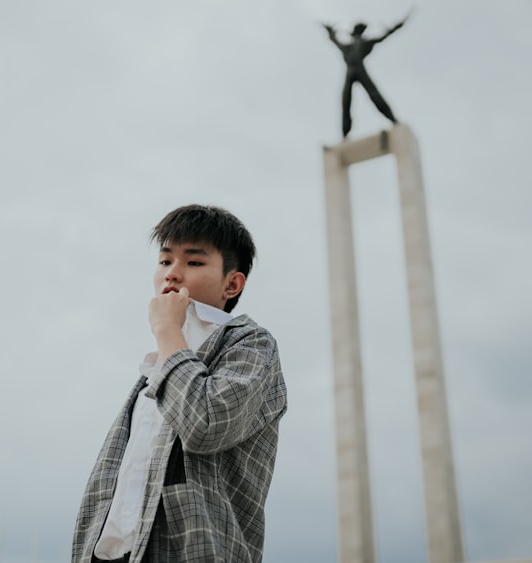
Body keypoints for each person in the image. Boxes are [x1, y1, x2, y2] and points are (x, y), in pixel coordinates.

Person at [71, 204, 288, 563]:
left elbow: (205, 424)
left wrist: (168, 331)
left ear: (232, 283)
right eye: (165, 261)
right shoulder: (155, 365)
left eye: (194, 262)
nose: (173, 273)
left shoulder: (251, 344)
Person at [324, 16, 408, 137]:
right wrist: (330, 32)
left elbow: (384, 36)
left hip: (360, 70)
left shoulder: (365, 43)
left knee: (375, 95)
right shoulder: (348, 47)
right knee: (346, 101)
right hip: (350, 72)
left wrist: (397, 26)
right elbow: (335, 41)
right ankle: (345, 133)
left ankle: (393, 119)